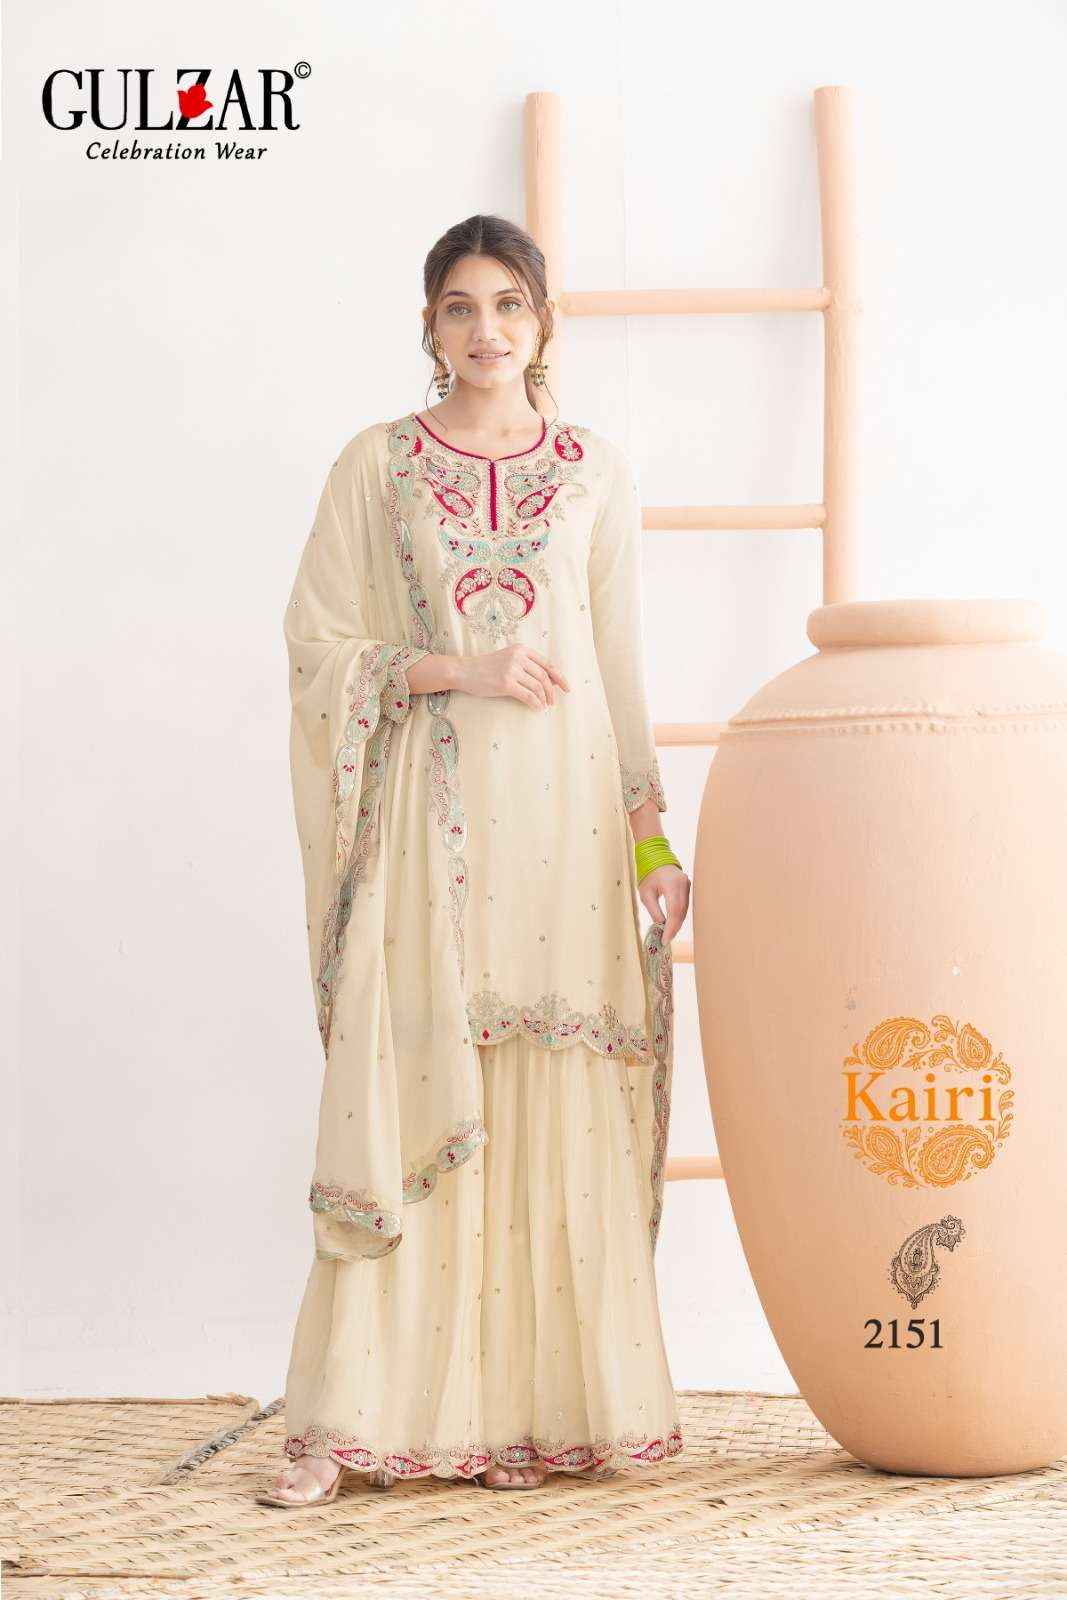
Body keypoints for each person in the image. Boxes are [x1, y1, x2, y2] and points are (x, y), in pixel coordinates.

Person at [261, 214, 690, 1505]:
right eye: (460, 306)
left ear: (543, 322)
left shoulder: (594, 470)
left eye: (509, 304)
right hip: (429, 827)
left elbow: (620, 671)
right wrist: (459, 669)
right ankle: (346, 1425)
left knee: (548, 1099)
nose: (486, 329)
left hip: (567, 833)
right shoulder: (379, 465)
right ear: (429, 324)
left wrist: (652, 841)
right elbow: (316, 647)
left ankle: (520, 1420)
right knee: (410, 1090)